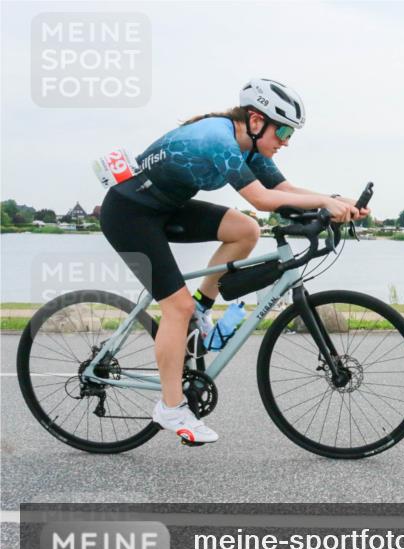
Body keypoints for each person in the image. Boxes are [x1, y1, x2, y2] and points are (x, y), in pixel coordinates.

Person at [99, 78, 369, 445]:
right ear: (256, 121)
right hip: (130, 214)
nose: (287, 140)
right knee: (174, 308)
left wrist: (336, 201)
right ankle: (171, 407)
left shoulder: (251, 147)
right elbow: (260, 198)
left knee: (245, 230)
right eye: (284, 130)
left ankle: (201, 309)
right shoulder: (218, 139)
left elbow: (284, 192)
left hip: (165, 208)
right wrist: (325, 201)